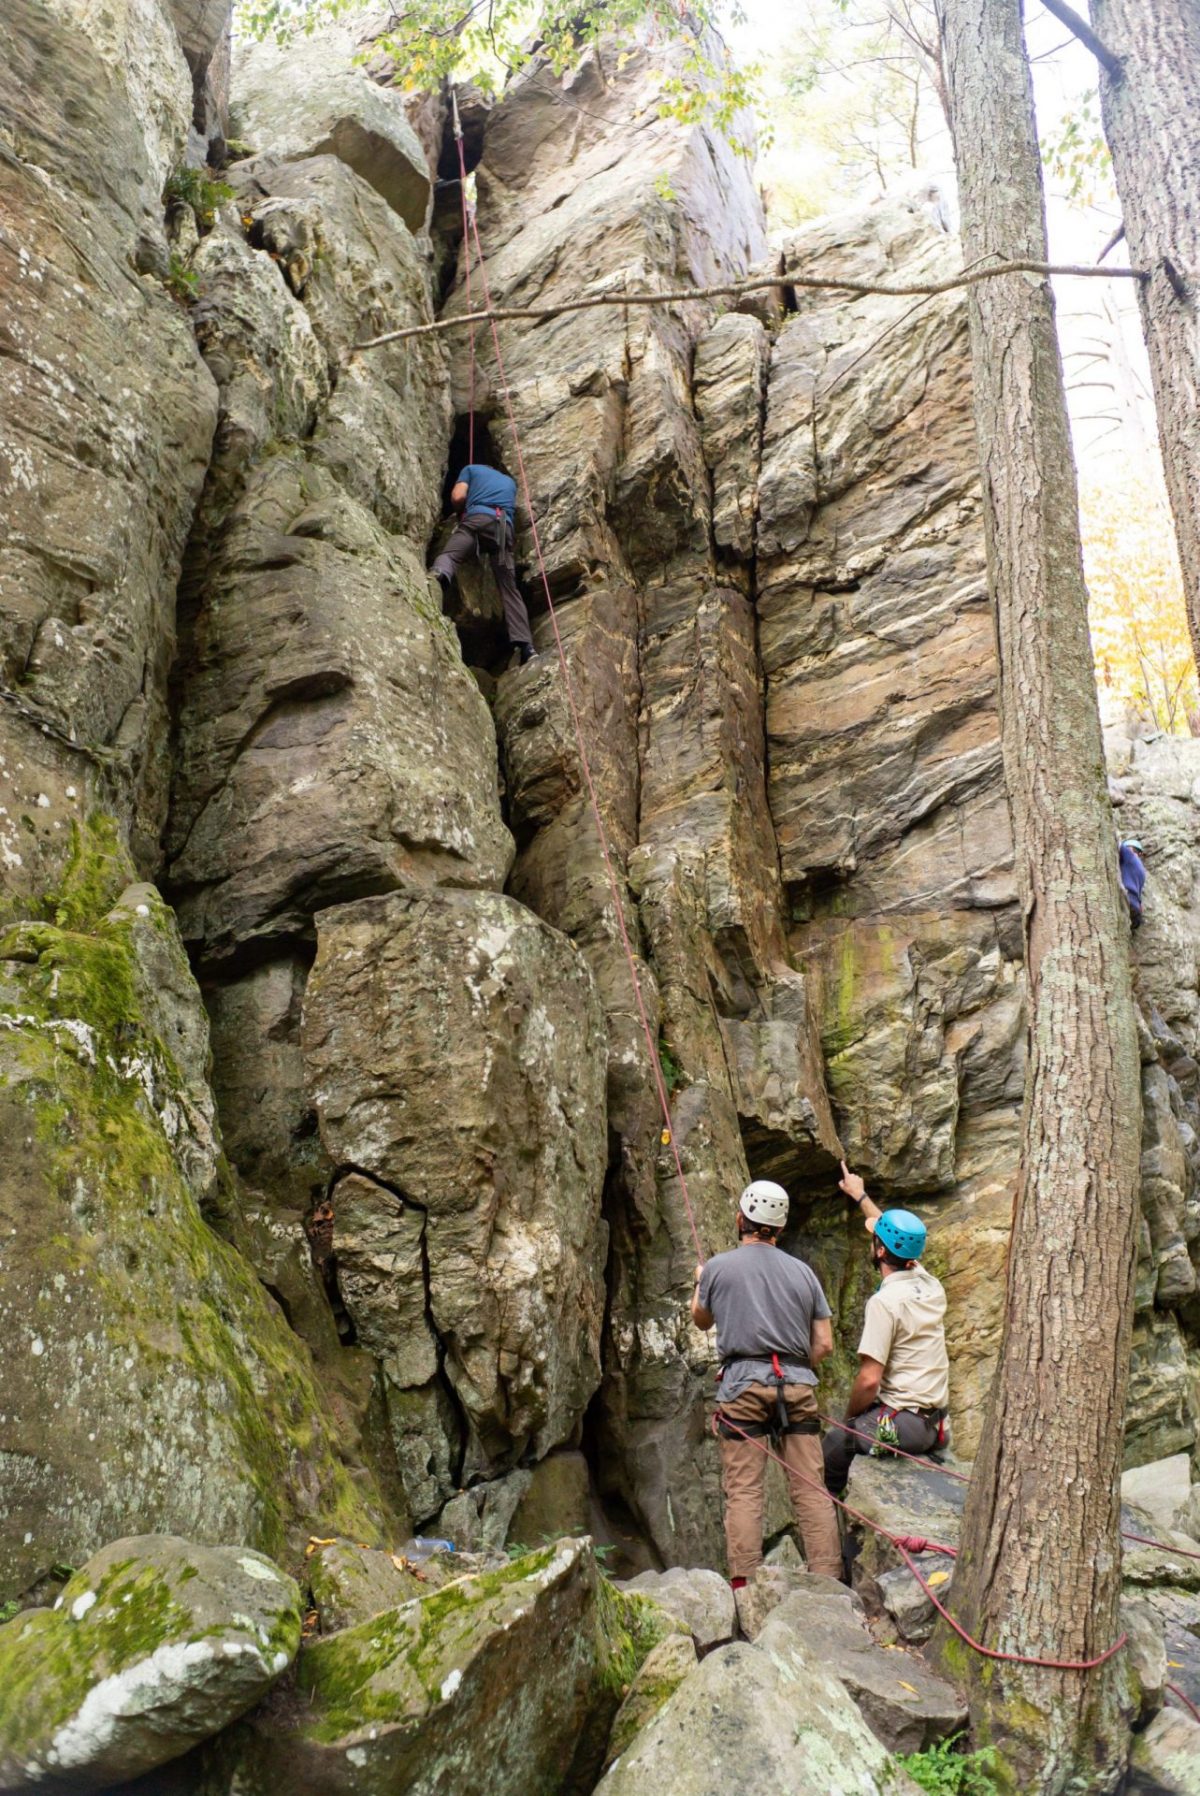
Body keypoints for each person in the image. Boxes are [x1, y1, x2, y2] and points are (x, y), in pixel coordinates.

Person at [692, 1179, 842, 1586]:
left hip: (741, 1387)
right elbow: (824, 1343)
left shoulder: (719, 1268)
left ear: (741, 1218)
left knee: (745, 1490)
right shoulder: (804, 1273)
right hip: (795, 1385)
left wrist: (700, 1282)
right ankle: (828, 1581)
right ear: (779, 1227)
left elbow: (702, 1320)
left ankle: (744, 1584)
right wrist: (791, 1367)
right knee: (811, 1488)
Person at [823, 1162, 949, 1496]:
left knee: (835, 1445)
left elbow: (869, 1380)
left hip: (904, 1426)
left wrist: (849, 1420)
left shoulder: (885, 1302)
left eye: (874, 1240)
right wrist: (859, 1194)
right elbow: (898, 1239)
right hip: (936, 1423)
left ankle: (838, 1520)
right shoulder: (929, 1283)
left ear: (879, 1251)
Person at [430, 462, 537, 665]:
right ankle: (527, 647)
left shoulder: (470, 469)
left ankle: (440, 575)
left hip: (477, 520)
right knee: (509, 587)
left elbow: (458, 497)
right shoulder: (509, 482)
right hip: (503, 531)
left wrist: (461, 513)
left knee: (451, 555)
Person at [1119, 838, 1146, 930]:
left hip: (1127, 902)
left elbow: (1116, 845)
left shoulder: (1129, 855)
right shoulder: (1142, 871)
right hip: (1136, 912)